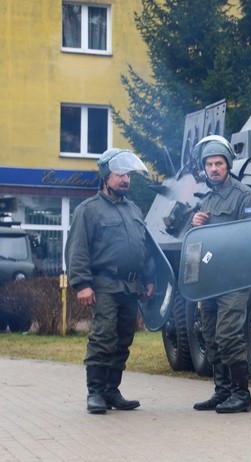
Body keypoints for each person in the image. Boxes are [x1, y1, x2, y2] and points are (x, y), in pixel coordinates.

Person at [65, 148, 155, 414]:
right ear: (105, 177)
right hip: (104, 285)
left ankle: (111, 390)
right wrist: (82, 284)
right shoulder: (88, 211)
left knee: (123, 339)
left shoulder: (133, 210)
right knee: (103, 337)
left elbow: (145, 248)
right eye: (119, 175)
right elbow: (77, 249)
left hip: (131, 286)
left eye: (128, 175)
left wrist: (148, 279)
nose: (125, 179)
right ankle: (95, 392)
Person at [190, 135, 251, 414]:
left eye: (218, 163)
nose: (214, 168)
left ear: (228, 165)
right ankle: (222, 392)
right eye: (209, 164)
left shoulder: (244, 195)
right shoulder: (204, 201)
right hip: (210, 280)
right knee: (210, 335)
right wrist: (193, 224)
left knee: (229, 334)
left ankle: (242, 395)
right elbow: (195, 245)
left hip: (234, 278)